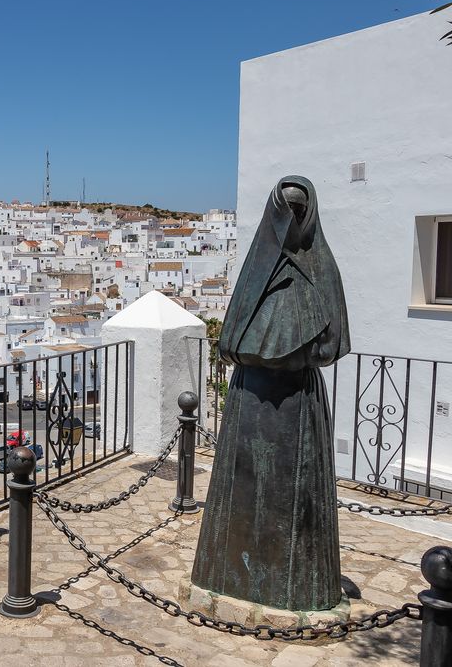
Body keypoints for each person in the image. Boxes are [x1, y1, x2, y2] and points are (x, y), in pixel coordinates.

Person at [191, 175, 350, 612]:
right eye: (286, 210)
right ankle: (228, 575)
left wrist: (285, 348)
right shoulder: (255, 272)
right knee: (243, 498)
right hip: (250, 402)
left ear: (310, 215)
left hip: (298, 404)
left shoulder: (322, 272)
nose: (292, 219)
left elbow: (331, 342)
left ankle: (297, 585)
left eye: (300, 210)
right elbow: (232, 341)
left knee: (293, 503)